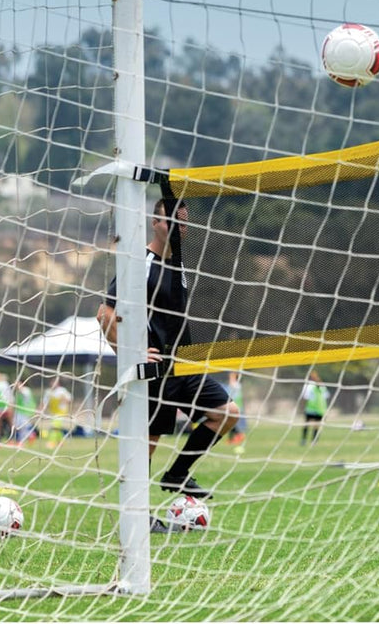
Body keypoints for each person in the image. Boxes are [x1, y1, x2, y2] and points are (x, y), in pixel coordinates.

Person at [96, 196, 239, 534]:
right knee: (148, 444)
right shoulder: (140, 263)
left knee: (227, 413)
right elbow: (105, 314)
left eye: (185, 222)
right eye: (173, 222)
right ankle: (137, 517)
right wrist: (131, 355)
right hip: (156, 371)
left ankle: (178, 474)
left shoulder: (179, 264)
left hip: (184, 366)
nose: (180, 228)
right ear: (156, 224)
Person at [41, 377, 73, 447]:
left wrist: (63, 399)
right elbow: (45, 402)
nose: (53, 384)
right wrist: (41, 410)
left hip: (61, 412)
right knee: (57, 428)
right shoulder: (48, 392)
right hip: (53, 412)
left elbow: (69, 400)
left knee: (54, 426)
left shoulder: (62, 390)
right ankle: (60, 442)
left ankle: (51, 442)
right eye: (52, 382)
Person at [300, 370, 329, 445]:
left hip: (317, 409)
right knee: (309, 425)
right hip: (313, 409)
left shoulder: (320, 386)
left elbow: (324, 398)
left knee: (314, 425)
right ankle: (305, 440)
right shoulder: (312, 386)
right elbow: (305, 398)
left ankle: (311, 440)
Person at [225, 372, 247, 451]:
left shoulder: (236, 385)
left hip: (235, 407)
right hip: (232, 407)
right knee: (230, 423)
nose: (230, 377)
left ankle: (238, 435)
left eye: (232, 376)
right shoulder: (233, 385)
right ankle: (233, 438)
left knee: (230, 423)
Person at [12, 378, 37, 444]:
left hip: (26, 411)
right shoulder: (17, 392)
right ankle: (30, 435)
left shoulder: (26, 390)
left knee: (23, 427)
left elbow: (25, 395)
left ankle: (21, 441)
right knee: (17, 426)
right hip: (19, 411)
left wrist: (18, 388)